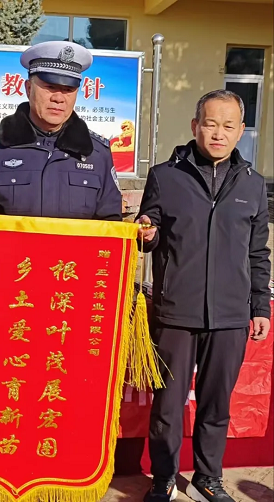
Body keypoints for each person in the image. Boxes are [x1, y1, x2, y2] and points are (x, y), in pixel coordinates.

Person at [138, 89, 271, 502]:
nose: (218, 133)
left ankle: (207, 477)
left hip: (230, 316)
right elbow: (148, 234)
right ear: (195, 126)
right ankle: (163, 477)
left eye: (228, 126)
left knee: (217, 405)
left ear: (241, 131)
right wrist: (146, 231)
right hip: (176, 312)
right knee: (167, 405)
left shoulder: (253, 184)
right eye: (210, 124)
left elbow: (258, 253)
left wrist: (259, 306)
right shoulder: (165, 176)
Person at [0, 41, 122, 220]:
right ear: (28, 88)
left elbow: (111, 228)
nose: (58, 98)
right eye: (50, 87)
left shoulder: (97, 154)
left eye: (68, 89)